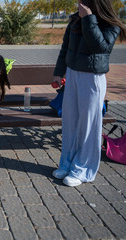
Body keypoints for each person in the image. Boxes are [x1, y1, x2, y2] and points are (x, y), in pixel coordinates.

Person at [52, 0, 126, 186]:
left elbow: (100, 48)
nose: (79, 4)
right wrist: (58, 71)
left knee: (88, 126)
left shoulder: (110, 24)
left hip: (92, 78)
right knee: (70, 123)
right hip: (72, 74)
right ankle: (67, 164)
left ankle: (83, 170)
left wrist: (89, 19)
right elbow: (65, 48)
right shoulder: (76, 21)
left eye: (84, 1)